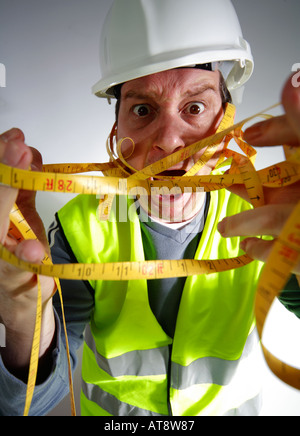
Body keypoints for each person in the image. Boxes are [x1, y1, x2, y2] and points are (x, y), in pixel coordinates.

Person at [0, 0, 299, 416]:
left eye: (195, 107)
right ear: (116, 127)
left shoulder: (272, 218)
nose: (169, 142)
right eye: (143, 110)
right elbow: (32, 404)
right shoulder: (79, 228)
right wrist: (22, 320)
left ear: (228, 120)